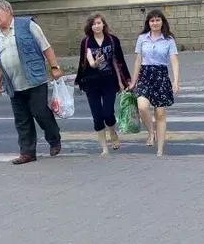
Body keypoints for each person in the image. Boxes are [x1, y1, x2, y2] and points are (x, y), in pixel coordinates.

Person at [0, 0, 65, 165]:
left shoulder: (27, 25)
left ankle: (54, 138)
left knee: (40, 112)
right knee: (21, 120)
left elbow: (46, 47)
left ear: (9, 11)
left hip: (35, 80)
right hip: (13, 85)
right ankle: (27, 152)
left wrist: (54, 67)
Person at [74, 13, 131, 156]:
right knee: (97, 117)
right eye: (94, 24)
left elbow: (119, 61)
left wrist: (125, 81)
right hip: (91, 84)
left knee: (108, 114)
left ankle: (113, 133)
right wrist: (95, 63)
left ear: (103, 24)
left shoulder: (112, 40)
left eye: (99, 23)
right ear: (90, 26)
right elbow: (87, 61)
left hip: (109, 82)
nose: (97, 26)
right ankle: (104, 148)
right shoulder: (86, 42)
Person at [128, 10, 180, 157]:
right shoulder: (142, 38)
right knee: (142, 107)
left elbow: (174, 61)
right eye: (152, 21)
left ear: (162, 22)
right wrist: (133, 81)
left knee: (160, 114)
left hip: (161, 77)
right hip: (145, 75)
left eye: (157, 20)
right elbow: (138, 60)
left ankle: (160, 149)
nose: (155, 23)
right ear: (148, 23)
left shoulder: (168, 39)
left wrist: (176, 81)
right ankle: (151, 132)